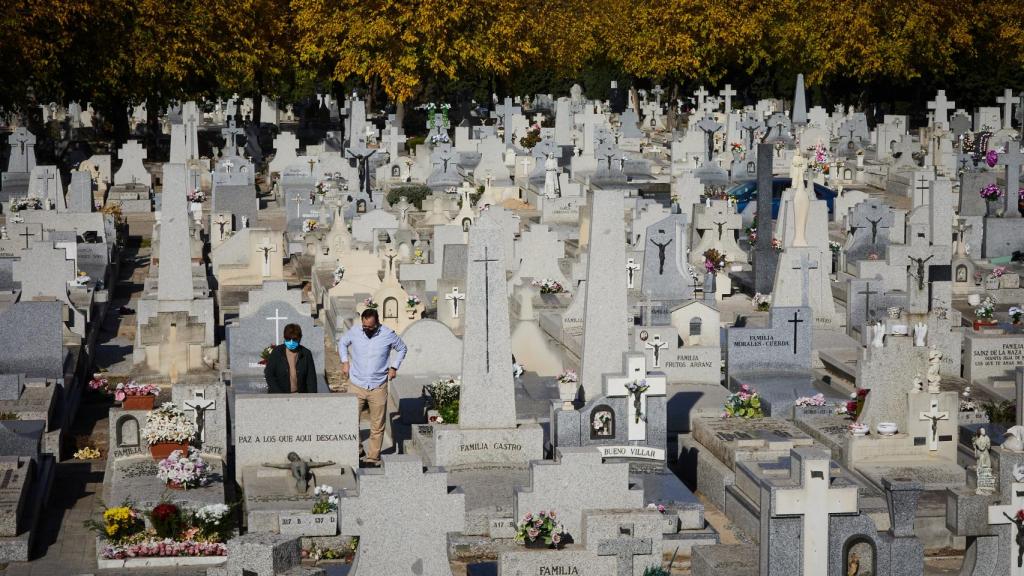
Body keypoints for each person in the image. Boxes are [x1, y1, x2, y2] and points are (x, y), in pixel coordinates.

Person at [338, 308, 407, 466]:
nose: (367, 329)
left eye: (371, 327)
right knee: (350, 420)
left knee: (377, 424)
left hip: (378, 385)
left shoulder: (388, 334)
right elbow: (342, 342)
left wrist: (394, 367)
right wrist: (345, 361)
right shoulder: (355, 332)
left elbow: (402, 348)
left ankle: (373, 457)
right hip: (357, 383)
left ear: (377, 323)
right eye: (365, 326)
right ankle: (357, 449)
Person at [264, 323, 319, 394]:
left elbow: (311, 378)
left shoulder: (306, 353)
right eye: (288, 339)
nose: (291, 342)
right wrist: (279, 394)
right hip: (278, 396)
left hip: (299, 396)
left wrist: (312, 397)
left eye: (295, 339)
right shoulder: (277, 352)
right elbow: (269, 375)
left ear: (300, 338)